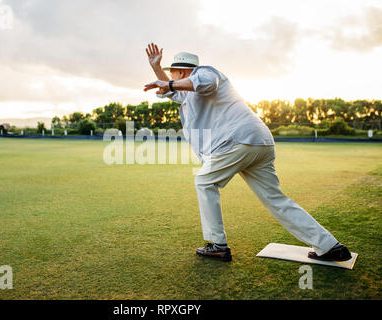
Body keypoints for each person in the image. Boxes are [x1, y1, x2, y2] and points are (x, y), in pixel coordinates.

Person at [143, 43, 352, 262]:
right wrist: (157, 69)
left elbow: (199, 82)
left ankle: (218, 245)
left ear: (183, 72)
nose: (170, 76)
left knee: (204, 181)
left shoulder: (205, 72)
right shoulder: (188, 95)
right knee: (276, 199)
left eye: (172, 72)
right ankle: (329, 246)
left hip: (236, 141)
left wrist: (170, 82)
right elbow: (169, 89)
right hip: (258, 143)